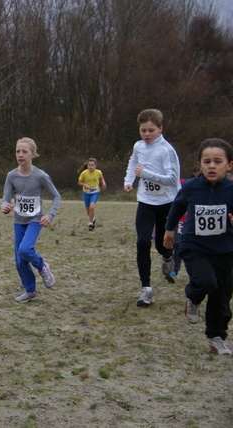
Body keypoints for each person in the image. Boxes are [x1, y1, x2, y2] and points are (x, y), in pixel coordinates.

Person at [163, 138, 233, 355]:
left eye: (217, 161)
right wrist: (169, 229)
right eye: (207, 161)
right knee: (205, 282)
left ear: (229, 165)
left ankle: (216, 337)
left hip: (226, 250)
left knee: (222, 296)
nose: (212, 166)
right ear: (200, 164)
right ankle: (193, 297)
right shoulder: (191, 187)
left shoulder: (231, 189)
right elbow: (177, 206)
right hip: (195, 247)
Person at [123, 109, 181, 306]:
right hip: (146, 201)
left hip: (167, 203)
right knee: (142, 242)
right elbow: (133, 163)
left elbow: (173, 180)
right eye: (143, 130)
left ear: (160, 129)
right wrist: (129, 180)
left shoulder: (166, 150)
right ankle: (146, 289)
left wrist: (145, 174)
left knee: (161, 245)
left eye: (151, 130)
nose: (147, 134)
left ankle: (167, 257)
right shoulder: (139, 146)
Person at [2, 138, 61, 303]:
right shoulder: (11, 176)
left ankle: (42, 266)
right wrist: (5, 206)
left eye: (24, 152)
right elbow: (5, 199)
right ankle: (30, 291)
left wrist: (49, 215)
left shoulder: (41, 176)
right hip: (18, 221)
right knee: (20, 260)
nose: (20, 155)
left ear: (33, 154)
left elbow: (56, 196)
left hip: (35, 220)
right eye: (17, 151)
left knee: (26, 250)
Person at [167, 166, 200, 283]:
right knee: (172, 243)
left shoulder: (188, 184)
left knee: (179, 244)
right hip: (174, 219)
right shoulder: (175, 184)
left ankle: (175, 270)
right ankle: (168, 262)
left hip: (186, 220)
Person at [77, 158, 107, 231]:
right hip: (86, 193)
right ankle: (93, 219)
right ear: (87, 166)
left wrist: (103, 183)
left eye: (92, 165)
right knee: (88, 210)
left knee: (92, 207)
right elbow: (79, 182)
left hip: (95, 192)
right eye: (89, 165)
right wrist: (85, 185)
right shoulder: (84, 173)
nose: (91, 167)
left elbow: (101, 178)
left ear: (95, 166)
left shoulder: (98, 172)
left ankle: (90, 223)